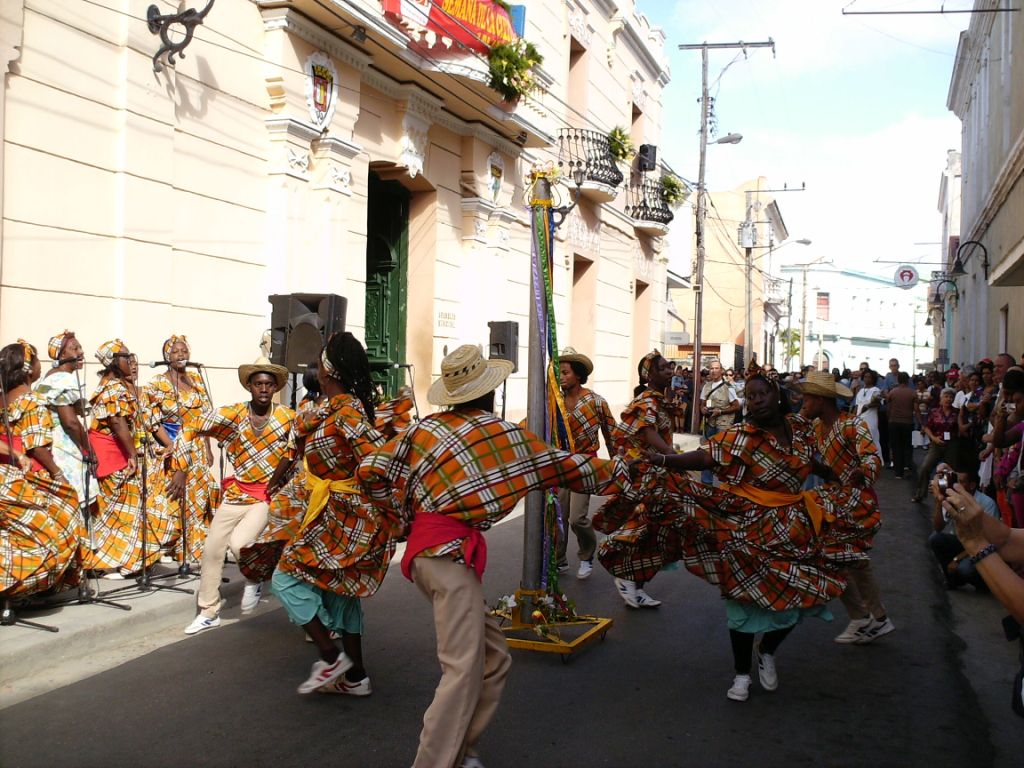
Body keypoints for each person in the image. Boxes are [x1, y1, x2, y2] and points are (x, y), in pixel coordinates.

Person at [358, 344, 630, 768]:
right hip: (449, 560)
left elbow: (371, 469)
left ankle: (462, 749)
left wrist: (397, 519)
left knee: (493, 658)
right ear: (488, 392)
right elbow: (571, 468)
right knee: (463, 670)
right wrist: (639, 470)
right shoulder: (502, 434)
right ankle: (435, 762)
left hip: (429, 556)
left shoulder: (425, 429)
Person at [640, 373, 876, 702]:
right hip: (749, 527)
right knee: (741, 601)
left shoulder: (800, 429)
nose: (755, 400)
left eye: (762, 393)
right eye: (749, 396)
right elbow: (706, 456)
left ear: (776, 395)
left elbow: (813, 463)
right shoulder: (741, 435)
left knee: (801, 596)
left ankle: (767, 649)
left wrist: (837, 478)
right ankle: (740, 675)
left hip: (795, 528)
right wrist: (666, 459)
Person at [270, 333, 403, 696]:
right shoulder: (329, 410)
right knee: (341, 591)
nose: (314, 370)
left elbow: (377, 460)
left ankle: (331, 658)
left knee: (285, 576)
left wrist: (390, 507)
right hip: (332, 511)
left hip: (345, 514)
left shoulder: (346, 413)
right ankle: (357, 677)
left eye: (316, 364)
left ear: (327, 372)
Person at [180, 357, 294, 635]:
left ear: (275, 386)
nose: (264, 389)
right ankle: (208, 612)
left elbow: (295, 450)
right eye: (258, 384)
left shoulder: (288, 417)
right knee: (211, 549)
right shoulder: (233, 414)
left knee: (241, 543)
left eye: (269, 384)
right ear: (249, 387)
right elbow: (192, 425)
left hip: (267, 494)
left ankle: (256, 580)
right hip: (236, 492)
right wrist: (180, 468)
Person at [797, 371, 892, 645]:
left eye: (807, 398)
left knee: (840, 559)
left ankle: (866, 617)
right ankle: (873, 617)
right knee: (851, 562)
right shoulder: (815, 429)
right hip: (833, 500)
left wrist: (863, 471)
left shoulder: (853, 425)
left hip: (856, 502)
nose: (803, 403)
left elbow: (873, 458)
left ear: (822, 399)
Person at [596, 350, 678, 608]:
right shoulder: (647, 401)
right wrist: (670, 454)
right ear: (649, 374)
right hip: (644, 473)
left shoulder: (656, 400)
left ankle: (636, 584)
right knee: (643, 525)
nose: (670, 371)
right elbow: (646, 430)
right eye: (664, 367)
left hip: (657, 471)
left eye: (669, 367)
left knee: (655, 530)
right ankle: (621, 570)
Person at [86, 339, 171, 577]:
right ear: (113, 362)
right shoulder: (112, 388)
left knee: (124, 514)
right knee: (119, 514)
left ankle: (123, 561)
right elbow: (116, 422)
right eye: (125, 357)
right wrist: (133, 454)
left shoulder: (115, 387)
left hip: (120, 455)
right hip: (116, 457)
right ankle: (111, 563)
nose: (131, 360)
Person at [0, 341, 81, 591]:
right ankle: (39, 587)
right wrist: (59, 475)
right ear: (27, 369)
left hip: (6, 474)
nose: (39, 367)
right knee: (56, 527)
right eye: (36, 362)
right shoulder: (32, 400)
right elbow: (37, 447)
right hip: (26, 476)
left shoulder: (3, 399)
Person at [152, 335, 218, 563]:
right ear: (166, 357)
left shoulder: (197, 381)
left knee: (198, 499)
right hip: (174, 446)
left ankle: (193, 548)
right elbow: (152, 420)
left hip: (198, 447)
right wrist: (173, 446)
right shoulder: (158, 384)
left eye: (184, 351)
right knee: (176, 497)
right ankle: (172, 547)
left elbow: (205, 418)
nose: (181, 355)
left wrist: (208, 448)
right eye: (175, 352)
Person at [555, 347, 615, 580]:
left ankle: (586, 556)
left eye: (565, 372)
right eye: (558, 372)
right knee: (557, 516)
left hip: (585, 465)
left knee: (577, 518)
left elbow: (611, 434)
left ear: (578, 374)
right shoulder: (554, 403)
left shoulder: (596, 402)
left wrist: (615, 465)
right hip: (560, 465)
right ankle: (558, 560)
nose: (560, 377)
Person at [33, 330, 95, 511]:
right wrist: (89, 449)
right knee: (77, 506)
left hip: (50, 448)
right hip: (65, 449)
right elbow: (70, 423)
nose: (81, 352)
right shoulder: (64, 380)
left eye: (80, 347)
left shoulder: (47, 378)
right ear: (61, 355)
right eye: (74, 348)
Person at [929, 464, 999, 591]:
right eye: (956, 481)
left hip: (981, 547)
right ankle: (953, 580)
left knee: (964, 569)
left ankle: (983, 584)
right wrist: (939, 502)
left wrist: (956, 559)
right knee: (935, 538)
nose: (956, 485)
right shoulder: (954, 498)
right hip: (962, 542)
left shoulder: (987, 503)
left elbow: (988, 541)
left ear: (972, 485)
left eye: (961, 482)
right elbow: (938, 527)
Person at [912, 387, 960, 504]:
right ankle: (920, 493)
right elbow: (926, 426)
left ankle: (951, 495)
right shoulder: (934, 412)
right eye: (946, 396)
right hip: (936, 444)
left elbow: (960, 428)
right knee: (925, 468)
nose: (948, 399)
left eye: (950, 397)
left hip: (952, 445)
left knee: (951, 471)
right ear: (941, 398)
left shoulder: (957, 412)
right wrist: (933, 438)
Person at [699, 360, 740, 484]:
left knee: (725, 456)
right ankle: (706, 484)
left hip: (724, 426)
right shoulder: (706, 386)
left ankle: (728, 485)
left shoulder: (728, 387)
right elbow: (702, 404)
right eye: (711, 368)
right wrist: (703, 409)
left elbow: (736, 406)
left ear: (721, 370)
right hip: (709, 424)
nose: (714, 371)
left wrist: (721, 412)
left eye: (716, 368)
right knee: (706, 453)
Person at [886, 371, 917, 479]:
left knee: (896, 447)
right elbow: (916, 409)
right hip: (908, 422)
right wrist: (921, 422)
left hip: (894, 422)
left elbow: (888, 407)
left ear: (898, 380)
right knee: (907, 446)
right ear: (908, 380)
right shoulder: (912, 393)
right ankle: (907, 466)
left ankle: (898, 472)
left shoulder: (893, 392)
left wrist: (889, 418)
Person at [854, 369, 883, 456]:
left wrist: (868, 406)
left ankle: (876, 459)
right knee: (860, 438)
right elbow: (856, 405)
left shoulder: (876, 390)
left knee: (872, 437)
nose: (867, 379)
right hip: (859, 418)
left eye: (869, 377)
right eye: (865, 377)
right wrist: (854, 417)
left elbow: (878, 404)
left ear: (873, 379)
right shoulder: (860, 391)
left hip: (871, 418)